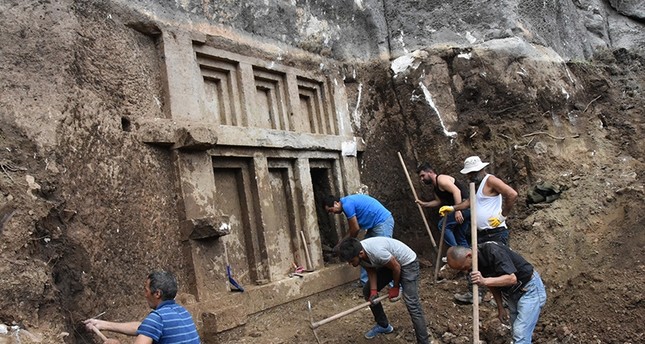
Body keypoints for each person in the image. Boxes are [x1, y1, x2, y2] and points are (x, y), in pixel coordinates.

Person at [439, 155, 518, 303]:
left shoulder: (490, 180)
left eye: (472, 173)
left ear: (480, 170)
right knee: (476, 263)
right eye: (469, 174)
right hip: (481, 233)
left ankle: (506, 298)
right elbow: (469, 202)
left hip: (496, 232)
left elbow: (512, 194)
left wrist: (503, 216)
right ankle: (476, 294)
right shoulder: (476, 186)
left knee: (500, 265)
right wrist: (453, 208)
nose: (470, 176)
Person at [446, 244, 546, 344]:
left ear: (468, 256)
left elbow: (512, 278)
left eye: (464, 267)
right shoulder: (475, 265)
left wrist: (484, 281)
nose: (465, 271)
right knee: (516, 332)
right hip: (512, 293)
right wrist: (500, 307)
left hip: (529, 289)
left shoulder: (492, 251)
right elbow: (492, 285)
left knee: (520, 333)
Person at [338, 237, 430, 344]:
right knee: (367, 292)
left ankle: (424, 342)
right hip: (390, 263)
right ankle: (383, 325)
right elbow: (370, 269)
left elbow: (396, 267)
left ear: (361, 253)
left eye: (351, 261)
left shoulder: (376, 252)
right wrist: (373, 291)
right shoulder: (359, 254)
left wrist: (395, 286)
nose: (350, 264)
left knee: (412, 304)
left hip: (408, 263)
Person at [84, 270, 200, 344]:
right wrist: (104, 325)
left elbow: (150, 326)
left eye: (146, 290)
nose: (145, 295)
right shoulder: (182, 312)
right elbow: (145, 327)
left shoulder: (157, 318)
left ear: (157, 294)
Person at [324, 194, 394, 286]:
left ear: (335, 203)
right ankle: (365, 282)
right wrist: (340, 244)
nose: (332, 213)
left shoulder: (347, 205)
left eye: (330, 210)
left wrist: (345, 245)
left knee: (384, 254)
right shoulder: (347, 203)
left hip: (382, 221)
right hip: (374, 225)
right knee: (361, 252)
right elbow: (353, 227)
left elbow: (355, 229)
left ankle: (395, 285)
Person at [416, 162, 471, 248]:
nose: (422, 179)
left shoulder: (441, 179)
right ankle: (467, 257)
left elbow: (457, 191)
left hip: (465, 207)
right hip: (464, 208)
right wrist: (424, 204)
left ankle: (455, 252)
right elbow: (438, 201)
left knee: (443, 225)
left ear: (430, 172)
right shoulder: (436, 187)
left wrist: (458, 210)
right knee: (459, 236)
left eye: (423, 175)